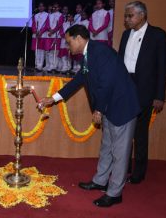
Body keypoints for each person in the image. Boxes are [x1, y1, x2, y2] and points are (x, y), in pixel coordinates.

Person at [39, 25, 140, 207]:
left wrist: (99, 109)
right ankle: (100, 181)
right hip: (109, 106)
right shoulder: (90, 53)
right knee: (107, 146)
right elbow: (79, 79)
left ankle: (115, 192)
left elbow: (107, 84)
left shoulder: (100, 52)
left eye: (69, 42)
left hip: (121, 107)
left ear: (79, 38)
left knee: (120, 152)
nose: (68, 46)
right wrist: (53, 99)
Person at [118, 1, 166, 184]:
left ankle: (138, 172)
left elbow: (163, 67)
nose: (126, 19)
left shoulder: (158, 35)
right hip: (126, 87)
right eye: (126, 16)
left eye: (129, 16)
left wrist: (159, 95)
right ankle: (124, 167)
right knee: (124, 132)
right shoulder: (125, 35)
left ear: (142, 15)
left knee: (139, 133)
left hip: (145, 91)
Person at [31, 2, 49, 72]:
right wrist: (35, 31)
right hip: (36, 35)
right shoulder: (36, 15)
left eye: (42, 6)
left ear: (44, 7)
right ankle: (36, 65)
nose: (41, 7)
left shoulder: (47, 15)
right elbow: (33, 24)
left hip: (43, 35)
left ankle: (40, 66)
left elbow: (47, 25)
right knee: (36, 50)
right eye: (39, 6)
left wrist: (41, 32)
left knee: (41, 51)